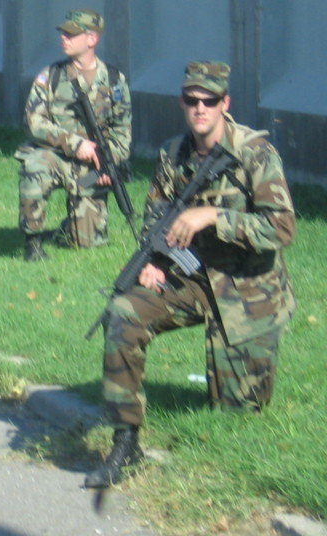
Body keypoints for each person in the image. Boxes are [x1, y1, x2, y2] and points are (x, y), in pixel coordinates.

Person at [84, 61, 296, 489]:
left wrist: (214, 216)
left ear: (225, 103)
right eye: (192, 100)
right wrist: (152, 261)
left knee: (236, 413)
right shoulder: (173, 153)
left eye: (210, 100)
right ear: (183, 102)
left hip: (247, 290)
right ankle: (126, 443)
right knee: (124, 312)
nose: (200, 108)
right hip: (192, 277)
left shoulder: (254, 153)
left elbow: (282, 229)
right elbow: (154, 219)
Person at [14, 9, 132, 261]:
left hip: (91, 170)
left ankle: (65, 229)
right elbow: (33, 121)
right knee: (35, 166)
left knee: (87, 243)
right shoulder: (52, 76)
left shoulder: (113, 80)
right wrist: (72, 143)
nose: (64, 38)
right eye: (64, 33)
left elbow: (122, 132)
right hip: (56, 158)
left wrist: (107, 165)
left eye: (71, 34)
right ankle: (32, 243)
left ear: (92, 39)